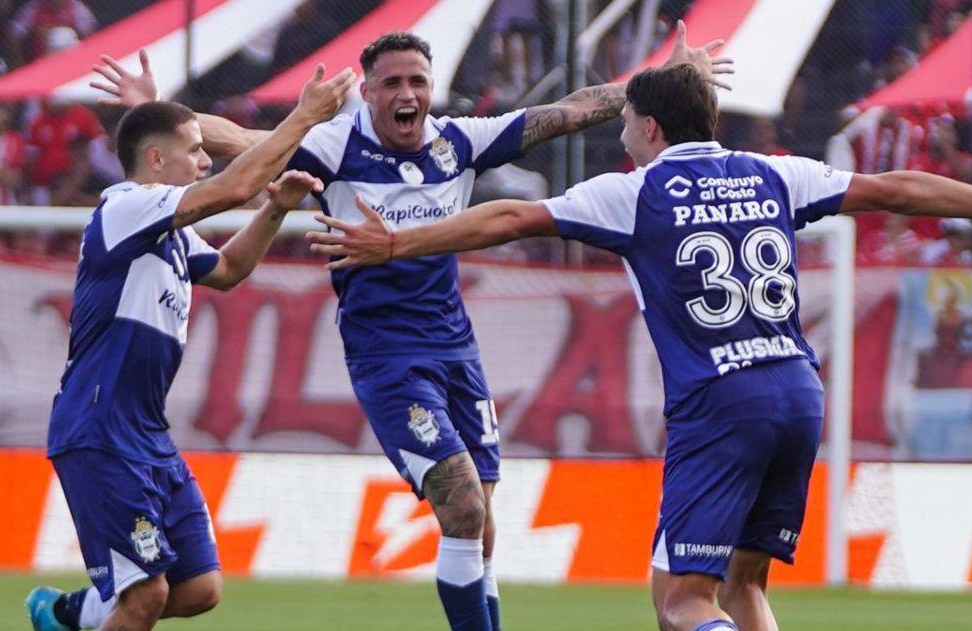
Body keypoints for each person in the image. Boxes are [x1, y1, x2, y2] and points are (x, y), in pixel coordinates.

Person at [306, 63, 972, 631]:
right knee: (746, 588)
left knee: (680, 601)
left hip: (721, 404)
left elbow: (510, 220)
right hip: (798, 392)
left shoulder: (634, 189)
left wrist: (398, 242)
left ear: (649, 129)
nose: (621, 139)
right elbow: (896, 189)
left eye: (625, 128)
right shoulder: (775, 173)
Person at [89, 23, 731, 631]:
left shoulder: (460, 141)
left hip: (456, 351)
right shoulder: (337, 146)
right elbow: (235, 139)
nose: (407, 94)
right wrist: (157, 113)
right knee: (462, 507)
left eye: (417, 81)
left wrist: (664, 81)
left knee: (481, 526)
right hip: (386, 357)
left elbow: (571, 109)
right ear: (366, 92)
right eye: (392, 83)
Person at [25, 64, 356, 631]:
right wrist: (303, 117)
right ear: (156, 161)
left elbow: (228, 269)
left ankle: (77, 613)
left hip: (145, 432)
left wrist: (276, 208)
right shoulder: (126, 205)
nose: (205, 161)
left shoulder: (169, 230)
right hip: (101, 428)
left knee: (199, 588)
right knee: (147, 597)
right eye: (196, 150)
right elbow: (233, 187)